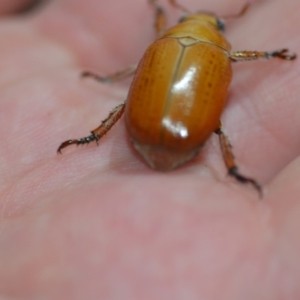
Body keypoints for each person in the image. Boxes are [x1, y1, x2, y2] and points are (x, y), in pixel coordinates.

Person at [0, 0, 299, 298]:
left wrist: (111, 75)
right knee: (218, 127)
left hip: (145, 131)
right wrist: (272, 56)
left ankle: (93, 137)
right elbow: (248, 56)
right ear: (218, 32)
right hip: (183, 137)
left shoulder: (159, 46)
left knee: (123, 104)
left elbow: (132, 70)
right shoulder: (221, 53)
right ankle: (232, 168)